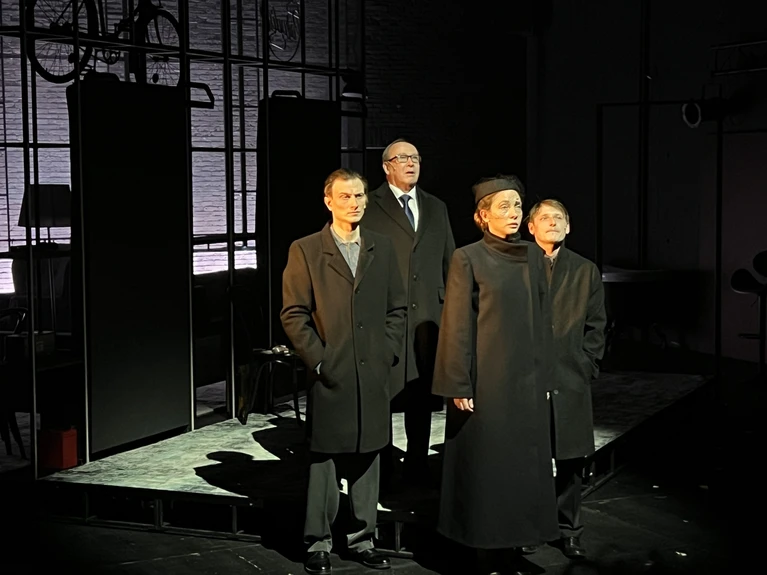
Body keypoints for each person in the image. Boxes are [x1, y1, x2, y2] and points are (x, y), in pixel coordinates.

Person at [280, 168, 407, 574]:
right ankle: (318, 542)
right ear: (328, 201)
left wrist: (387, 352)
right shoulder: (306, 249)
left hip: (372, 371)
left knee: (369, 455)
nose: (354, 203)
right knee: (325, 460)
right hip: (331, 372)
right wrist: (319, 359)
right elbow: (293, 312)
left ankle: (362, 539)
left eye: (359, 196)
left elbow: (397, 308)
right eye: (346, 196)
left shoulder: (381, 246)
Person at [432, 175, 558, 575]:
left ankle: (515, 545)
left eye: (518, 205)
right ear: (482, 216)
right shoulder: (468, 257)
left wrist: (546, 377)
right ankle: (485, 550)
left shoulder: (533, 256)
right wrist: (458, 381)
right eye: (504, 206)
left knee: (522, 466)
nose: (514, 213)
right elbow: (456, 324)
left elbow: (544, 320)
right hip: (486, 382)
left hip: (526, 381)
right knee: (489, 468)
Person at [360, 138, 455, 486]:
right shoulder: (370, 206)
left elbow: (449, 261)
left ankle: (418, 462)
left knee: (422, 392)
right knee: (384, 390)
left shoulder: (436, 207)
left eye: (415, 157)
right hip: (387, 314)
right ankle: (383, 464)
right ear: (387, 167)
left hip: (428, 315)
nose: (411, 163)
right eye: (403, 158)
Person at [524, 198, 606, 560]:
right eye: (545, 218)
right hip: (527, 376)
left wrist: (587, 365)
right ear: (531, 227)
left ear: (569, 227)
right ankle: (530, 526)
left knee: (571, 459)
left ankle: (569, 529)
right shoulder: (517, 264)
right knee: (532, 457)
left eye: (559, 218)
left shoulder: (585, 270)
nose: (553, 223)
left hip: (570, 374)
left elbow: (597, 324)